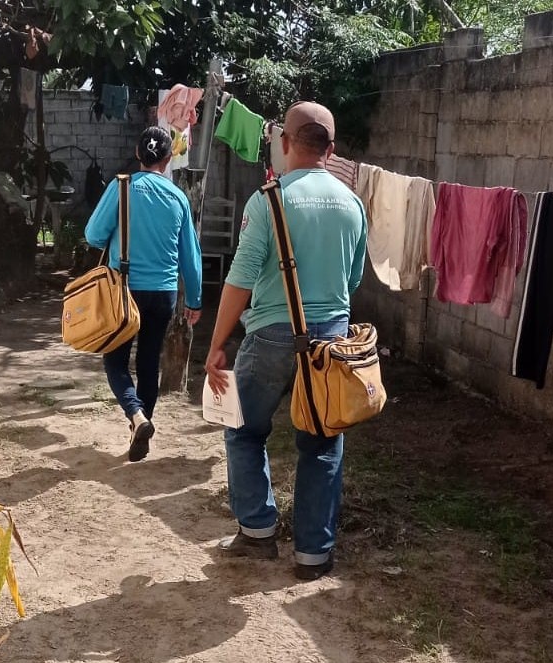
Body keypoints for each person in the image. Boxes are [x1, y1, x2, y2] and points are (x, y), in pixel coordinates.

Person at [204, 101, 367, 580]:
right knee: (322, 443)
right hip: (331, 344)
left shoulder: (268, 200)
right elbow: (353, 280)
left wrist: (217, 343)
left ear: (285, 142)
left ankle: (257, 531)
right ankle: (314, 554)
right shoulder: (353, 203)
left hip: (272, 336)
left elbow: (240, 279)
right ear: (331, 150)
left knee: (243, 428)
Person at [86, 126, 203, 462]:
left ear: (138, 153)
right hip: (163, 293)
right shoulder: (178, 197)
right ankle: (143, 424)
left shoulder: (121, 187)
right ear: (168, 159)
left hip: (124, 291)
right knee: (149, 362)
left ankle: (136, 417)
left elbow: (93, 235)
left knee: (115, 360)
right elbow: (190, 256)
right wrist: (194, 301)